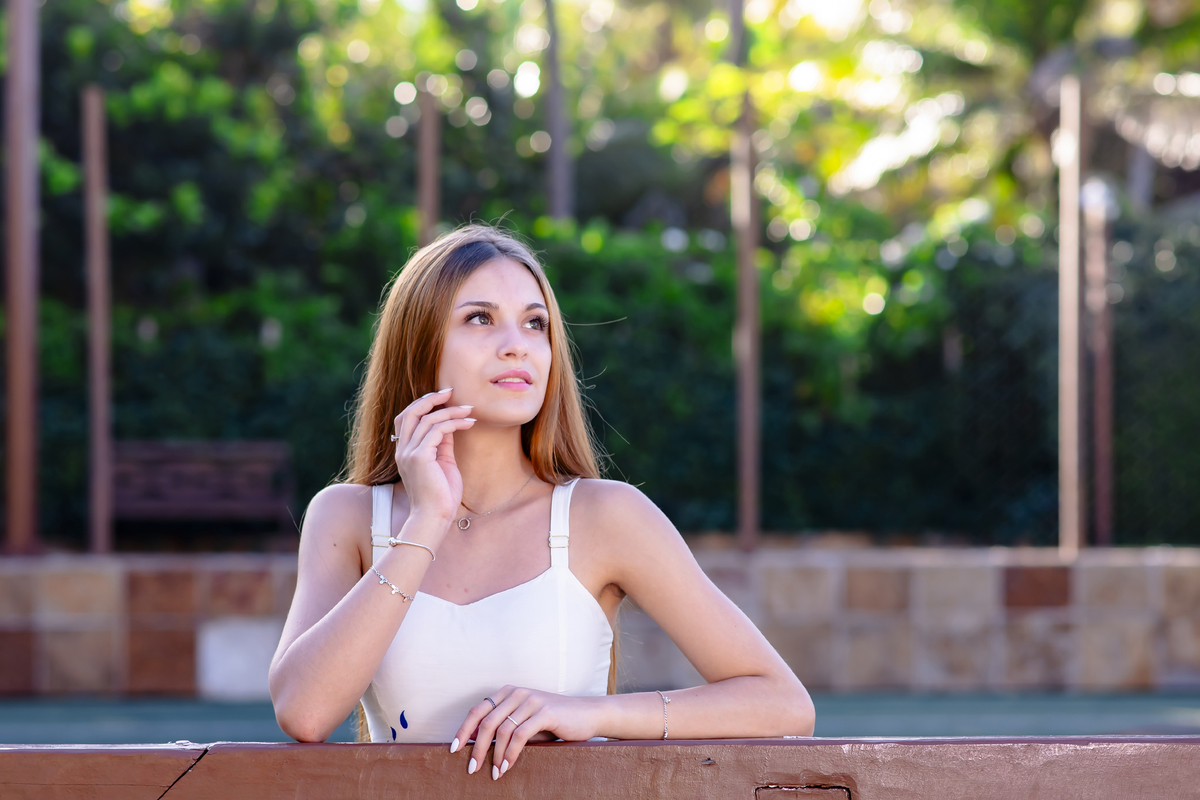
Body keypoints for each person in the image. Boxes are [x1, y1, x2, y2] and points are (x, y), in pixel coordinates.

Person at [269, 224, 815, 780]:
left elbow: (784, 704)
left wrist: (593, 713)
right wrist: (427, 521)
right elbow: (304, 712)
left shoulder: (606, 516)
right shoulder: (347, 517)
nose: (518, 344)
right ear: (419, 347)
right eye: (480, 318)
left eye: (536, 323)